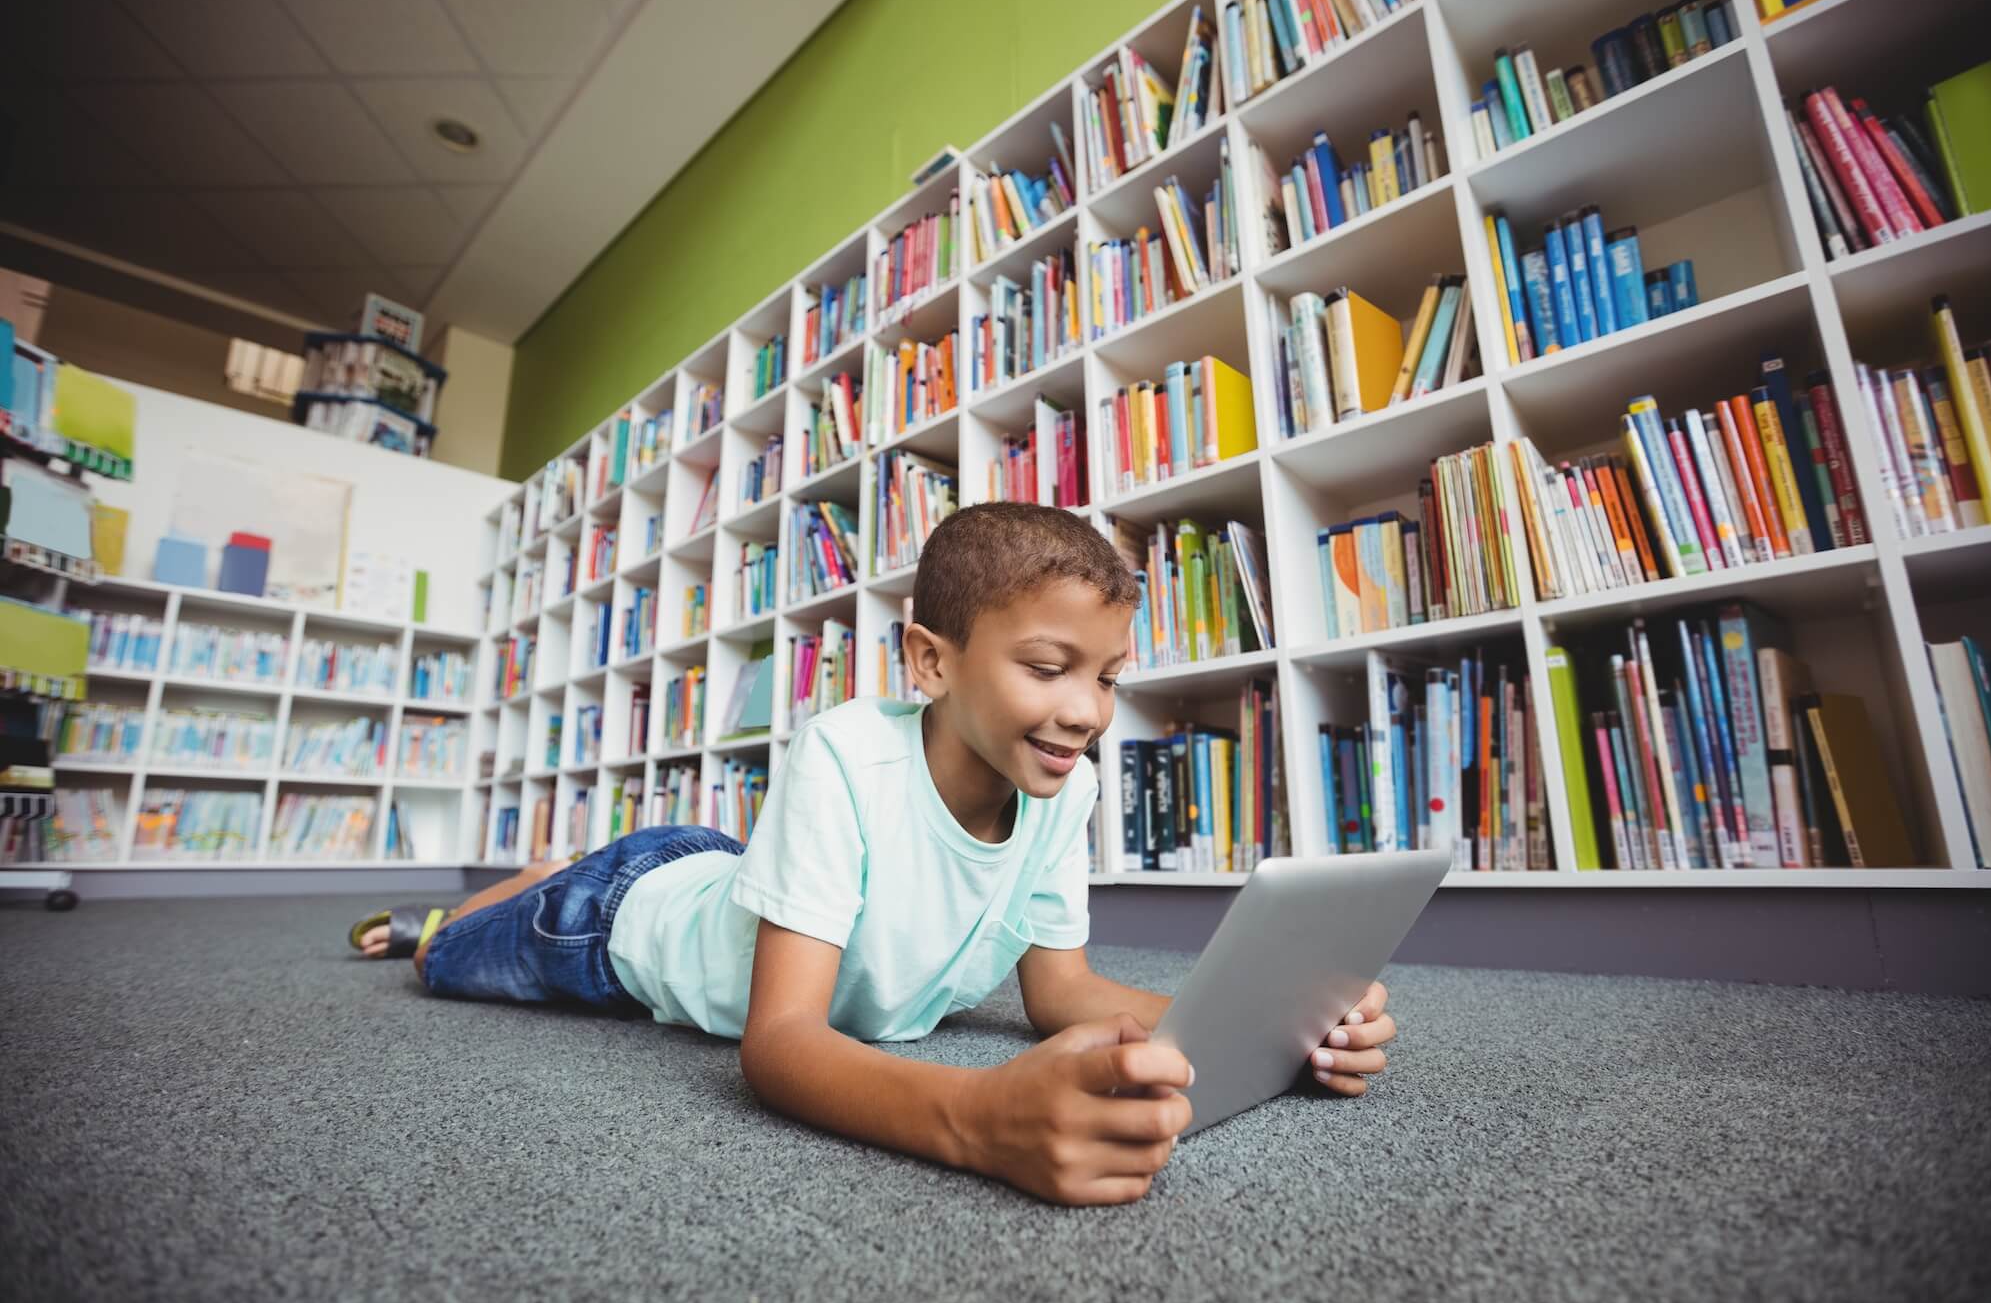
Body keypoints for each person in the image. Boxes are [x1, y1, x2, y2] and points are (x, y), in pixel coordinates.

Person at [350, 503, 1396, 1205]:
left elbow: (1056, 990)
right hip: (613, 920)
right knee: (441, 962)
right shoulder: (844, 751)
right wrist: (973, 1118)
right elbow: (780, 1040)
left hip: (728, 873)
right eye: (1047, 666)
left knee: (701, 865)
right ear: (929, 660)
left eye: (1109, 677)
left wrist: (1263, 1023)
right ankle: (487, 896)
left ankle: (563, 866)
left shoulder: (1061, 789)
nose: (1085, 711)